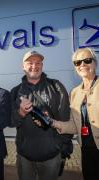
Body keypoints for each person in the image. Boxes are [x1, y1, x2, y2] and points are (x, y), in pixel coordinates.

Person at [10, 50, 73, 180]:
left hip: (51, 156)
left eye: (38, 63)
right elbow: (10, 122)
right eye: (30, 63)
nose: (34, 66)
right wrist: (21, 113)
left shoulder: (56, 86)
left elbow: (66, 120)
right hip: (24, 156)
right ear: (23, 66)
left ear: (42, 66)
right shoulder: (15, 91)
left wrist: (62, 148)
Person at [52, 48, 99, 180]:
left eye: (87, 60)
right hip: (86, 149)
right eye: (77, 63)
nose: (82, 65)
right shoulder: (74, 92)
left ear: (95, 63)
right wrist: (52, 122)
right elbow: (74, 124)